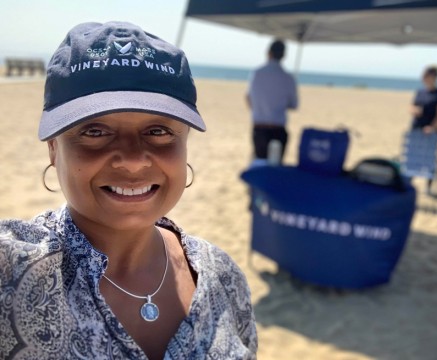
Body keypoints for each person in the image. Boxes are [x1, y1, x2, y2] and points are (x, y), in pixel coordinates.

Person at [0, 21, 257, 359]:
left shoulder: (222, 276)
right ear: (53, 149)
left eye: (158, 130)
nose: (134, 161)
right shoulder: (11, 273)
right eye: (95, 131)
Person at [246, 39, 298, 161]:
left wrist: (259, 109)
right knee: (275, 169)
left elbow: (248, 98)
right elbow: (294, 104)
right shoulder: (288, 77)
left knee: (259, 164)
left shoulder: (257, 73)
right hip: (278, 129)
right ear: (284, 55)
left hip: (259, 127)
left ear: (269, 53)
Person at [409, 65, 437, 193]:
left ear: (434, 77)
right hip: (416, 127)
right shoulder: (420, 92)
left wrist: (432, 127)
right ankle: (408, 181)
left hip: (431, 130)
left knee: (429, 159)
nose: (424, 78)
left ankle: (428, 188)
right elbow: (411, 106)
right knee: (413, 156)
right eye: (423, 75)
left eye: (426, 75)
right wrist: (414, 110)